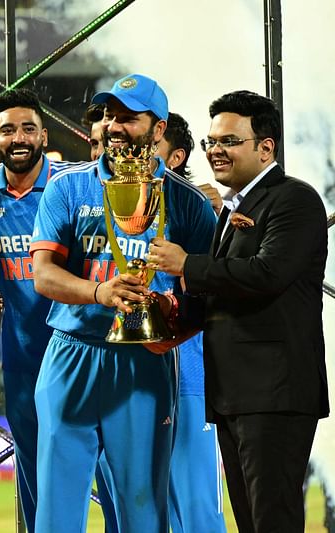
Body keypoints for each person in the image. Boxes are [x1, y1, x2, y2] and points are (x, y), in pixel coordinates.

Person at [29, 74, 216, 532]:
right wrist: (100, 292)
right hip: (70, 352)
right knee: (55, 511)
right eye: (109, 115)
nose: (113, 126)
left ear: (159, 128)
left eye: (128, 117)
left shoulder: (189, 204)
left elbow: (210, 295)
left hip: (143, 361)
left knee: (142, 510)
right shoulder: (68, 188)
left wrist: (174, 329)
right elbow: (43, 274)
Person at [147, 90, 329, 533]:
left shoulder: (294, 200)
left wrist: (186, 264)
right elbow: (218, 297)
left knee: (273, 519)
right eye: (211, 142)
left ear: (266, 147)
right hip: (234, 393)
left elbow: (267, 274)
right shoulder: (233, 209)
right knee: (250, 520)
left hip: (275, 393)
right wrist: (154, 313)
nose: (215, 151)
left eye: (229, 141)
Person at [0, 88, 77, 532]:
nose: (18, 138)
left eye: (28, 128)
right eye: (7, 130)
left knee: (107, 466)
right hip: (24, 353)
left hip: (81, 349)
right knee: (32, 470)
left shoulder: (73, 181)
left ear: (43, 135)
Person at [156, 112, 226, 533]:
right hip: (134, 369)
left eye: (152, 145)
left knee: (196, 502)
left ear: (176, 156)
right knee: (144, 502)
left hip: (189, 369)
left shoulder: (199, 210)